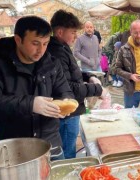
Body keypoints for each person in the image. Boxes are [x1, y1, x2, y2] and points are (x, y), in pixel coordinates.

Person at [0, 16, 74, 160]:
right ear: (18, 39)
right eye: (35, 43)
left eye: (45, 44)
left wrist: (65, 102)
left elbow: (65, 91)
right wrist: (31, 104)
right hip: (11, 150)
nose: (41, 50)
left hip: (50, 147)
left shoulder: (52, 63)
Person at [48, 10, 106, 159]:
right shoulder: (56, 52)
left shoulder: (63, 47)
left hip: (71, 112)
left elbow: (73, 73)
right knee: (67, 154)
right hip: (67, 114)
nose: (75, 36)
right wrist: (97, 89)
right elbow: (68, 88)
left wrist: (90, 76)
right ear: (60, 32)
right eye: (73, 32)